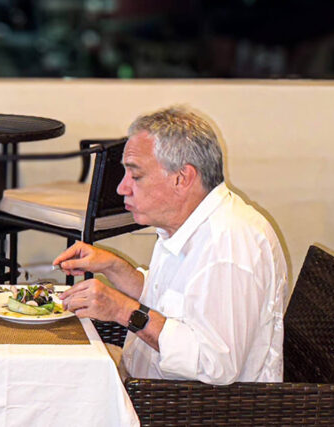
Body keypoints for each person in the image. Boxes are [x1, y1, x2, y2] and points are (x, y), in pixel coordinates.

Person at [53, 106, 287, 385]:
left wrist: (122, 310)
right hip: (150, 388)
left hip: (190, 410)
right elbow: (170, 299)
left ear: (182, 178)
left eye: (136, 176)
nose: (121, 188)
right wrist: (113, 266)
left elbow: (215, 365)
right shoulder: (185, 224)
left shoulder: (230, 243)